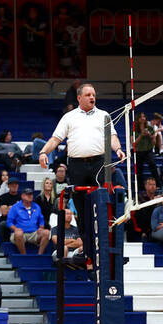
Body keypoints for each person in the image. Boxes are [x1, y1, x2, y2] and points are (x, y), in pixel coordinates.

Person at [37, 82, 124, 264]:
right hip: (77, 165)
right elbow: (56, 138)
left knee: (103, 204)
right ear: (79, 98)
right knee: (82, 210)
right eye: (88, 94)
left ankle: (107, 248)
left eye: (93, 94)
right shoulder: (69, 117)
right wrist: (43, 152)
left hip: (100, 163)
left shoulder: (104, 115)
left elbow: (113, 137)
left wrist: (118, 150)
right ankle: (87, 249)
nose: (92, 97)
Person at [6, 185, 49, 255]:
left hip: (33, 233)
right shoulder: (15, 207)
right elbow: (9, 222)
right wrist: (16, 229)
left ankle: (40, 255)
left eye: (31, 194)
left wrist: (41, 227)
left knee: (46, 233)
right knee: (18, 234)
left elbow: (41, 219)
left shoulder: (36, 206)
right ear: (22, 196)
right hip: (21, 233)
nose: (30, 196)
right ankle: (24, 255)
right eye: (28, 194)